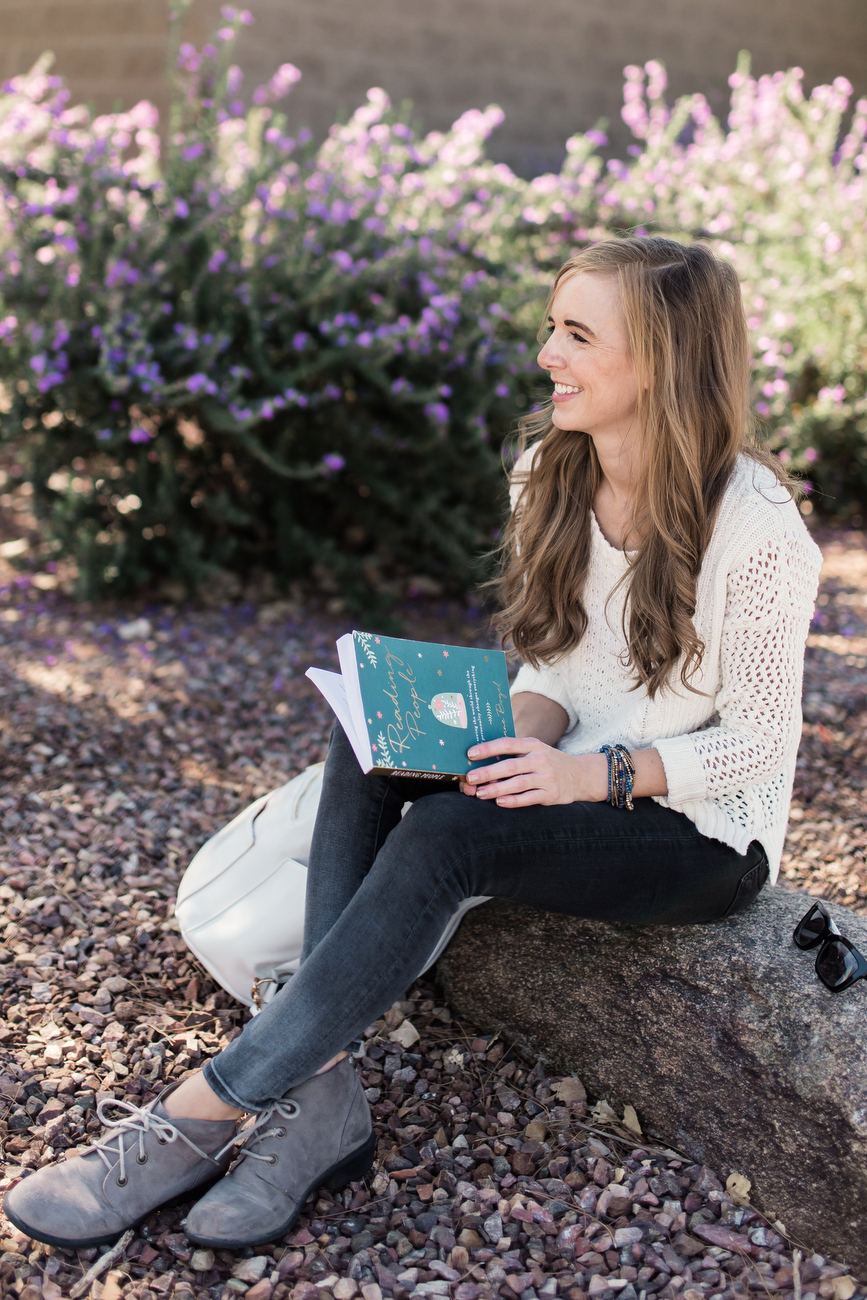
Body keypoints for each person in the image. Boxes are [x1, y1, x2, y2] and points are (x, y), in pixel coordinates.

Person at [5, 237, 822, 1251]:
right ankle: (322, 1101)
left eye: (575, 335)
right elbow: (561, 667)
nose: (545, 356)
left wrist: (588, 774)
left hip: (694, 828)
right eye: (551, 328)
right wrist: (510, 735)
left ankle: (202, 1112)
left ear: (658, 361)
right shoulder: (552, 471)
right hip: (569, 770)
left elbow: (755, 745)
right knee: (369, 732)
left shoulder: (759, 528)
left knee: (445, 837)